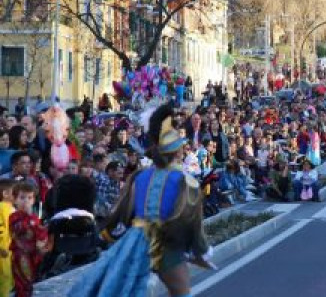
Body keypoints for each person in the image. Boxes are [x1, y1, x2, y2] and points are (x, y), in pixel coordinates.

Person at [70, 104, 213, 297]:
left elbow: (123, 212)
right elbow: (191, 221)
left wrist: (109, 234)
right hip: (165, 242)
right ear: (178, 152)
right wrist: (201, 250)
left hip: (135, 241)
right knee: (181, 292)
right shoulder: (186, 181)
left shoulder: (139, 176)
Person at [9, 181, 48, 297]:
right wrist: (31, 220)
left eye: (29, 198)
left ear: (33, 200)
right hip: (21, 254)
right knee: (23, 280)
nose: (26, 201)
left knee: (32, 280)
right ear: (15, 200)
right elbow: (20, 229)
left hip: (34, 253)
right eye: (22, 197)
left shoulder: (35, 217)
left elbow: (39, 232)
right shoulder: (14, 217)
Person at [0, 179, 15, 297]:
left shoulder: (10, 208)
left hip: (10, 253)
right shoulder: (2, 208)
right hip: (3, 254)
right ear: (5, 194)